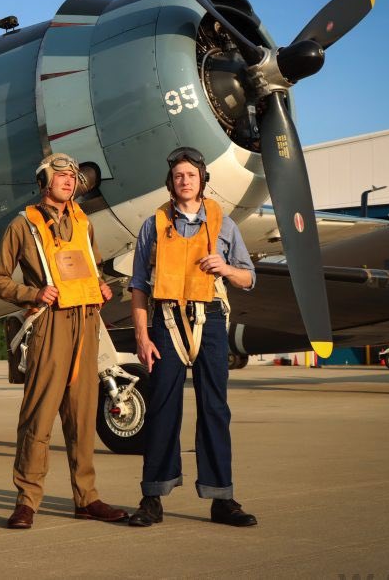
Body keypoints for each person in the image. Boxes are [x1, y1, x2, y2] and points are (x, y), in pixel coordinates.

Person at [0, 152, 128, 529]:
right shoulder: (23, 225)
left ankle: (87, 498)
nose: (69, 180)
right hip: (49, 324)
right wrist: (32, 295)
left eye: (72, 176)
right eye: (61, 175)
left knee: (83, 417)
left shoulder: (84, 223)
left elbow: (92, 268)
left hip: (87, 321)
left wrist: (101, 286)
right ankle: (27, 500)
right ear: (44, 181)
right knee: (39, 415)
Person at [127, 147, 258, 528]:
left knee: (215, 408)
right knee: (163, 408)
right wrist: (141, 336)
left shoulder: (225, 224)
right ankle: (152, 497)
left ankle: (222, 499)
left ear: (202, 182)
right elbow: (138, 285)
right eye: (179, 176)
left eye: (191, 175)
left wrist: (227, 268)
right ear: (172, 183)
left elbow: (249, 278)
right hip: (165, 322)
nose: (185, 181)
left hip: (210, 321)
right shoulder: (153, 226)